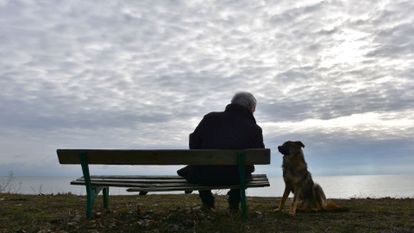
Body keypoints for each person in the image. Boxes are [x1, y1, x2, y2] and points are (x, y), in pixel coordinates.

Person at [177, 92, 265, 212]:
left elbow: (194, 146)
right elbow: (259, 155)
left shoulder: (210, 118)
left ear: (232, 103)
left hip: (204, 176)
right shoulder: (255, 129)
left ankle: (207, 203)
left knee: (197, 165)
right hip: (237, 178)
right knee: (242, 169)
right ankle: (233, 204)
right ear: (250, 108)